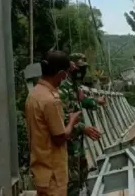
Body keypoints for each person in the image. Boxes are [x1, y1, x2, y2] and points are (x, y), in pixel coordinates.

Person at [24, 50, 81, 196]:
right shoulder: (50, 101)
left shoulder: (34, 94)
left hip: (41, 170)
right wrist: (72, 120)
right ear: (62, 74)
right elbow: (60, 137)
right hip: (53, 174)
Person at [59, 53, 105, 196]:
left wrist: (97, 102)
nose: (82, 71)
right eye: (79, 68)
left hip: (77, 140)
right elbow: (61, 118)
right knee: (71, 179)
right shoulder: (62, 86)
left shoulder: (74, 85)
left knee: (82, 171)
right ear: (71, 67)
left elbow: (82, 100)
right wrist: (83, 127)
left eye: (84, 68)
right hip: (67, 141)